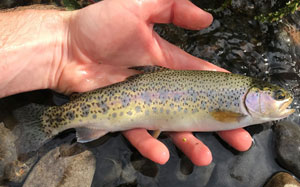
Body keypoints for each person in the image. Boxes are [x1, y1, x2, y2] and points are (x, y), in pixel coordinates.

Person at [0, 0, 252, 166]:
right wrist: (66, 39)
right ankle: (49, 121)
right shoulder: (236, 104)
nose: (284, 103)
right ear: (252, 95)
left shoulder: (237, 97)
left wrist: (64, 41)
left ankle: (40, 120)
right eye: (277, 96)